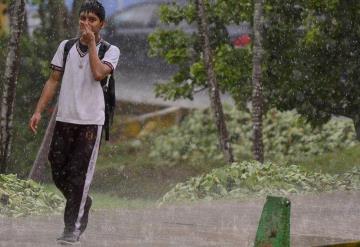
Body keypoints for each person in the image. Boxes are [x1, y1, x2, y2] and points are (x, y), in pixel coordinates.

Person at [28, 1, 120, 245]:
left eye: (92, 20)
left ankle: (72, 229)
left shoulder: (110, 50)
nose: (86, 24)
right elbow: (52, 80)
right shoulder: (66, 47)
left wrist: (91, 46)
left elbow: (98, 73)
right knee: (57, 168)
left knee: (79, 176)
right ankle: (81, 200)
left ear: (102, 24)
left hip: (91, 123)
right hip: (64, 119)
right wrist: (38, 111)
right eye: (83, 19)